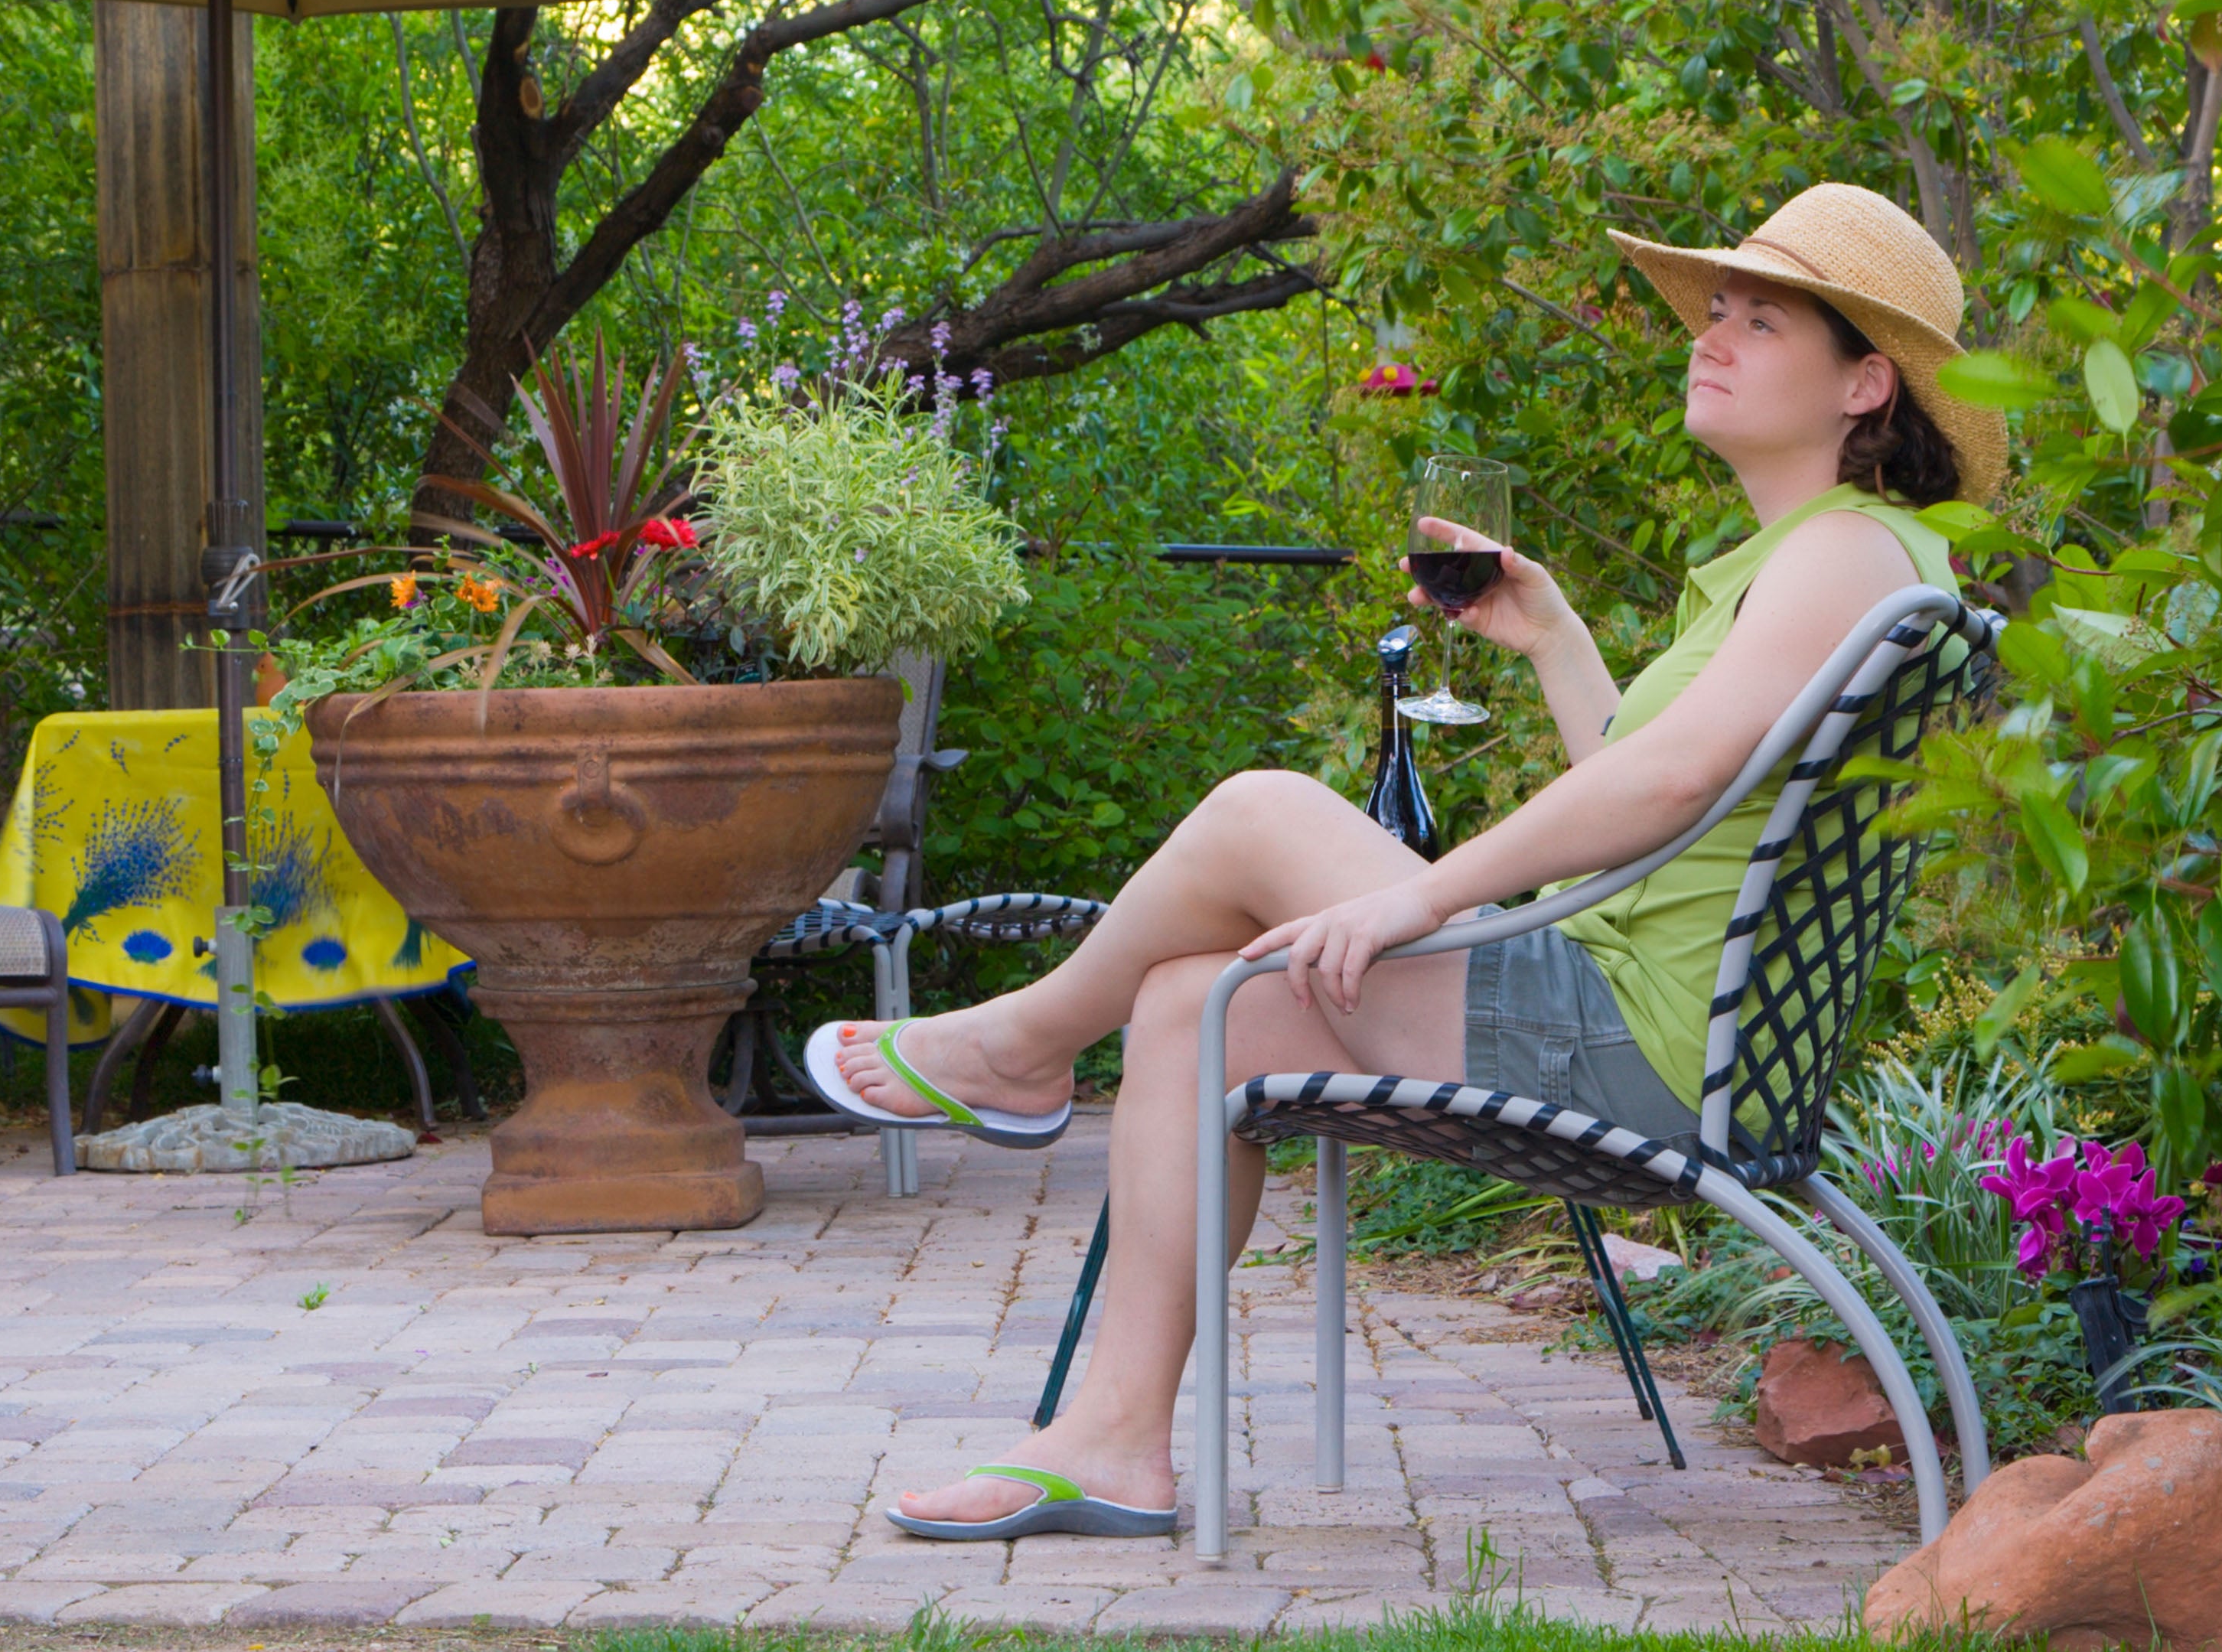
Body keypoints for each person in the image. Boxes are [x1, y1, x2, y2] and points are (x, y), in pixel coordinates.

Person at [803, 184, 2005, 1540]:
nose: (1711, 335)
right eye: (1714, 309)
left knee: (1261, 810)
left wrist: (1421, 894)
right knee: (1194, 1004)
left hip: (1638, 1043)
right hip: (1630, 1010)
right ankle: (1114, 1442)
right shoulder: (1800, 561)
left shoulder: (1845, 549)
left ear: (1865, 382)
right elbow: (1667, 792)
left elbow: (1670, 779)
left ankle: (1015, 1050)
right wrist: (1552, 633)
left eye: (1761, 318)